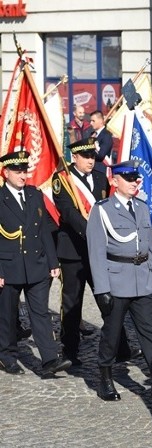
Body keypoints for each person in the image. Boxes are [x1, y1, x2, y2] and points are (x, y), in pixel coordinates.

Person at [86, 160, 152, 402]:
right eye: (129, 178)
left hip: (142, 280)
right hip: (116, 281)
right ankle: (105, 378)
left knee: (149, 333)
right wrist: (102, 288)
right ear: (115, 181)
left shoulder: (142, 207)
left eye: (136, 177)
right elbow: (96, 251)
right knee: (111, 334)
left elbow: (150, 248)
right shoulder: (102, 210)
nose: (135, 182)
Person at [52, 139, 134, 367]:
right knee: (72, 303)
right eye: (86, 157)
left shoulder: (100, 178)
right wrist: (93, 233)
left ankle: (122, 347)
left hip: (99, 252)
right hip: (74, 252)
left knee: (108, 300)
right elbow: (68, 212)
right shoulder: (63, 180)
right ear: (75, 157)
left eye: (93, 157)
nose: (90, 161)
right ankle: (70, 350)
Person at [0, 151, 70, 376]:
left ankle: (50, 359)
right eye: (18, 171)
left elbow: (43, 231)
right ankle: (7, 355)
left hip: (36, 264)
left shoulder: (34, 194)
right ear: (6, 172)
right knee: (7, 314)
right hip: (8, 266)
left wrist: (53, 261)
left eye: (25, 171)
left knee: (40, 312)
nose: (23, 175)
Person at [90, 111, 112, 177]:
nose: (91, 123)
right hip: (92, 169)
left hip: (101, 171)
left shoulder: (106, 135)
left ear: (101, 121)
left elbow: (101, 155)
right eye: (91, 121)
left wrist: (88, 153)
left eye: (93, 121)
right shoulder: (92, 134)